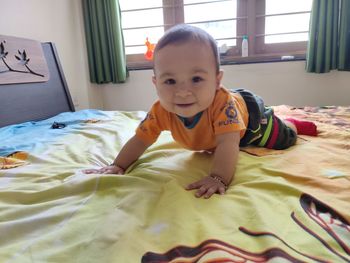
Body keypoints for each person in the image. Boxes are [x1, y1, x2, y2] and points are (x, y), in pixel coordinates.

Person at [84, 24, 317, 199]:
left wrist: (218, 177)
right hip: (217, 133)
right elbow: (140, 139)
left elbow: (228, 144)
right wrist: (119, 165)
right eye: (170, 81)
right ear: (155, 83)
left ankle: (292, 123)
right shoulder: (160, 111)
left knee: (283, 139)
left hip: (251, 123)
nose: (183, 92)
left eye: (196, 79)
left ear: (217, 81)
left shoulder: (223, 105)